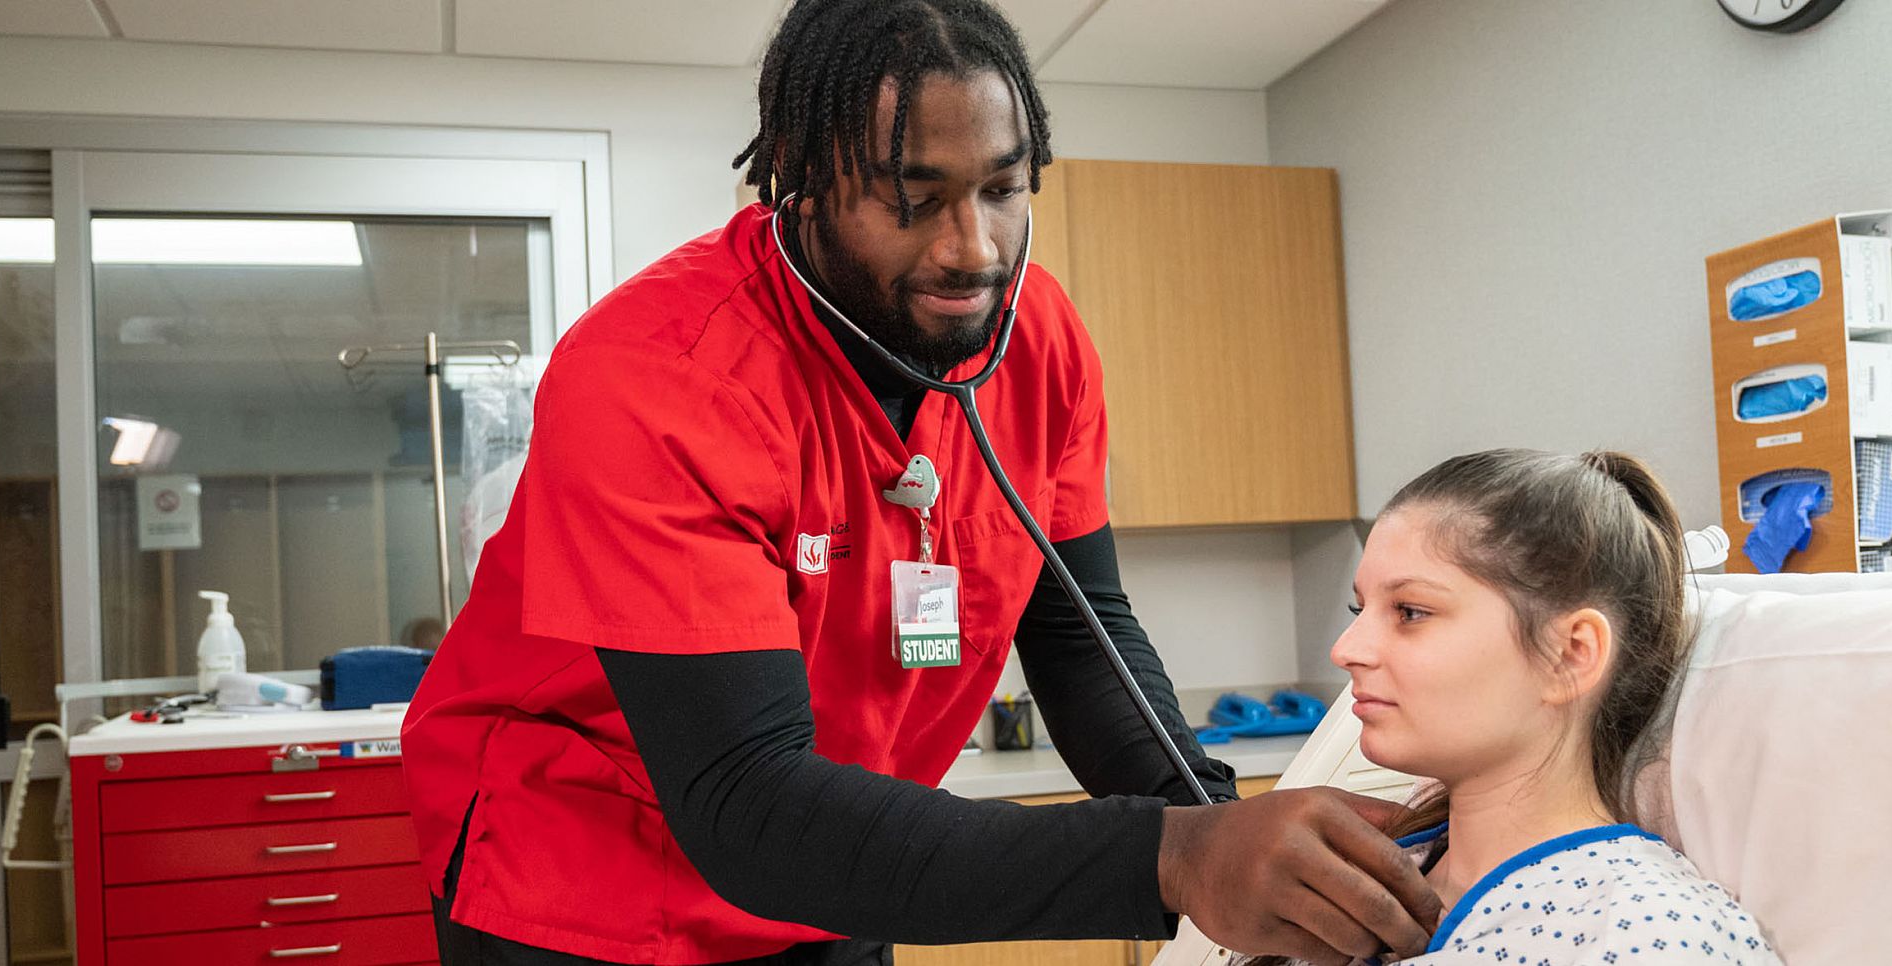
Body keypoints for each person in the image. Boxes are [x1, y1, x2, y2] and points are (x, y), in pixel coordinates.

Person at [400, 2, 1440, 964]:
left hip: (841, 854)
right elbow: (742, 801)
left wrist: (1212, 819)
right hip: (587, 876)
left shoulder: (1035, 338)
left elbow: (1080, 631)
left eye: (1001, 188)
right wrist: (1170, 859)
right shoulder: (657, 376)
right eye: (914, 199)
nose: (972, 250)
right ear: (799, 181)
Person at [1291, 450, 1780, 964]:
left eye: (1410, 611)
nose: (1345, 650)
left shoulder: (1643, 934)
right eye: (1359, 608)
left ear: (1569, 654)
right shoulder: (1355, 884)